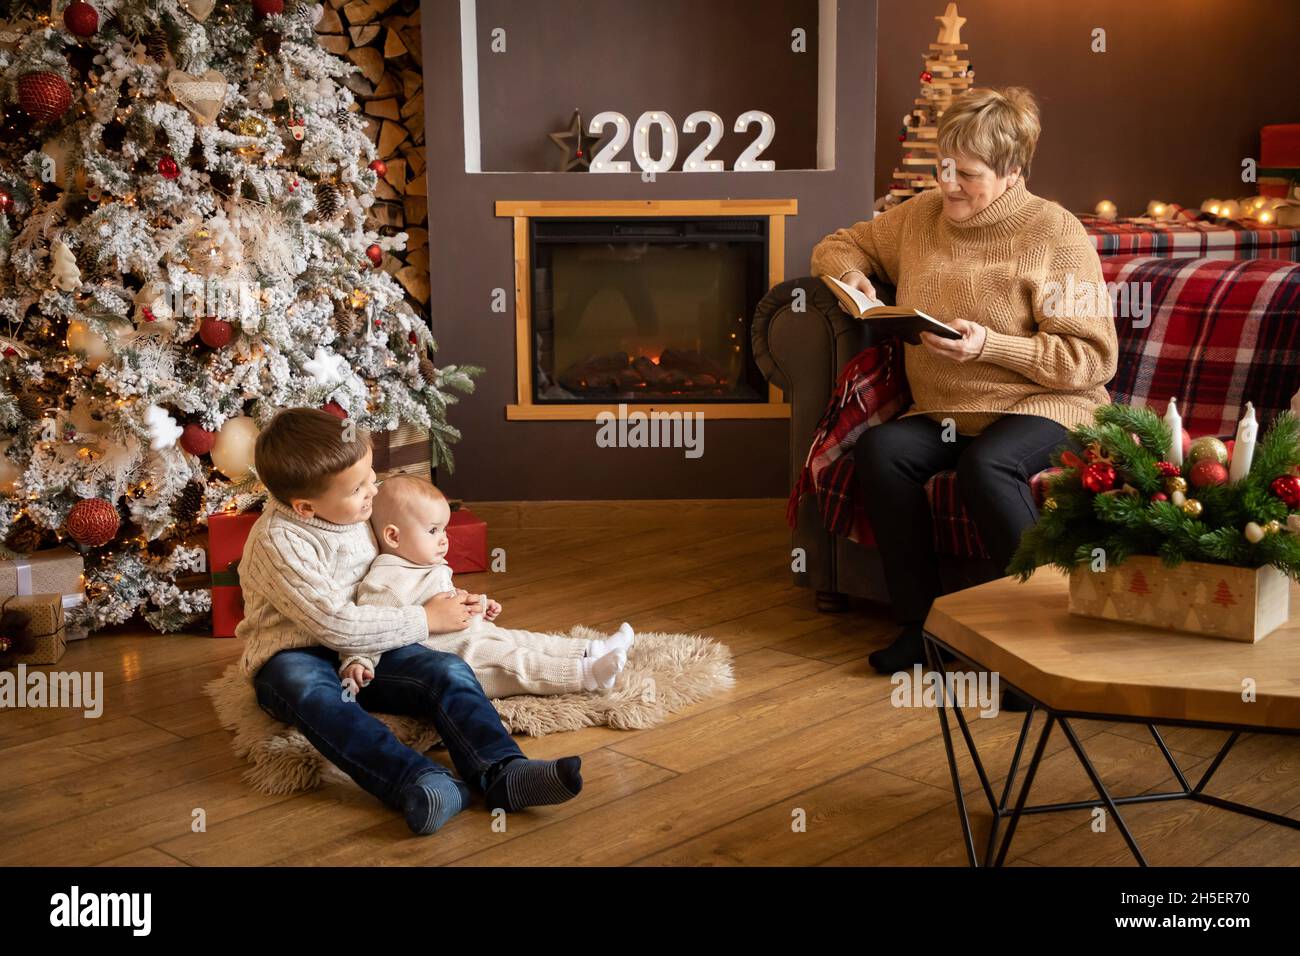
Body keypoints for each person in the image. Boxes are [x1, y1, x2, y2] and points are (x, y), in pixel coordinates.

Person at [810, 87, 1116, 677]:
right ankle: (922, 630)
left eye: (967, 174)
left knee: (987, 468)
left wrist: (988, 346)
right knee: (881, 450)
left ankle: (1039, 652)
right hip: (951, 411)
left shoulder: (1055, 234)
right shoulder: (921, 216)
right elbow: (838, 243)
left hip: (1047, 404)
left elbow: (1092, 358)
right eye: (942, 167)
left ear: (1011, 172)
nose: (948, 183)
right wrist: (854, 276)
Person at [238, 407, 583, 835]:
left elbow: (400, 575)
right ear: (306, 507)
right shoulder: (279, 541)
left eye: (370, 477)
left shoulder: (358, 512)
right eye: (358, 488)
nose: (373, 491)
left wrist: (447, 599)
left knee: (445, 670)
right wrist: (426, 618)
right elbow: (337, 625)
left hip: (370, 645)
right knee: (314, 693)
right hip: (297, 652)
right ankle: (418, 781)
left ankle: (502, 770)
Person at [339, 475, 635, 698]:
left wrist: (475, 604)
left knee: (523, 640)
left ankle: (590, 648)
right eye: (432, 531)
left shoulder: (422, 563)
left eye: (444, 529)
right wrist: (358, 660)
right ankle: (587, 675)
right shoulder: (386, 579)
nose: (444, 539)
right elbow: (371, 627)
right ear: (393, 536)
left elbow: (443, 600)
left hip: (474, 633)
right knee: (516, 663)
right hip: (459, 656)